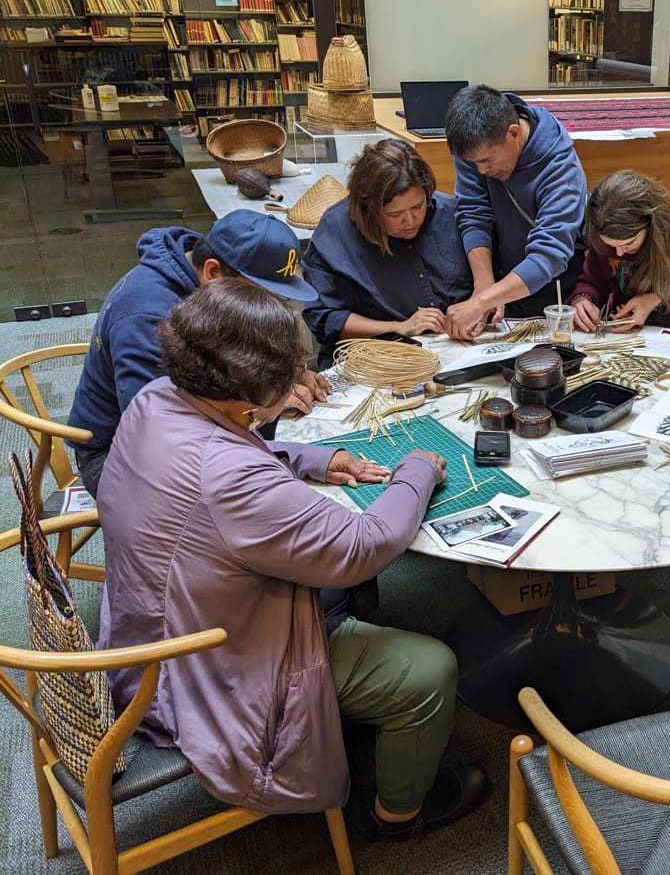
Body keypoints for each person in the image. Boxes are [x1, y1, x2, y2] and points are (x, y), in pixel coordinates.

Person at [96, 279, 489, 837]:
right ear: (254, 395)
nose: (302, 379)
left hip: (153, 629)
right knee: (428, 671)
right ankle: (396, 817)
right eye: (293, 374)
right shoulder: (232, 480)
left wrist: (313, 458)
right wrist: (418, 469)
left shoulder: (155, 397)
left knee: (347, 596)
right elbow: (366, 545)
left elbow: (226, 452)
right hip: (212, 670)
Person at [66, 209, 328, 498]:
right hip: (117, 454)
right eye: (264, 296)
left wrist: (287, 372)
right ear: (214, 272)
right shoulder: (148, 317)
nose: (271, 306)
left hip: (186, 436)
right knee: (256, 506)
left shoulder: (205, 286)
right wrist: (262, 402)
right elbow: (160, 433)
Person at [302, 138, 473, 368]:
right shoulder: (336, 232)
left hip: (459, 350)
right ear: (368, 209)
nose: (410, 220)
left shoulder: (450, 212)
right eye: (395, 214)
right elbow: (325, 318)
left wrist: (478, 305)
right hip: (377, 359)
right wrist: (399, 327)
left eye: (418, 206)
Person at [443, 84, 587, 338]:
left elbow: (549, 255)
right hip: (497, 277)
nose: (481, 171)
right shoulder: (475, 147)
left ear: (514, 133)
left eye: (487, 161)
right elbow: (473, 214)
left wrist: (481, 302)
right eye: (472, 163)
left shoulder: (560, 168)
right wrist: (484, 287)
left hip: (551, 289)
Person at [568, 169, 670, 334]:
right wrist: (582, 299)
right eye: (610, 245)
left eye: (629, 243)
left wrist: (657, 300)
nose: (619, 253)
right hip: (621, 333)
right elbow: (592, 282)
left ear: (651, 222)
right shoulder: (603, 226)